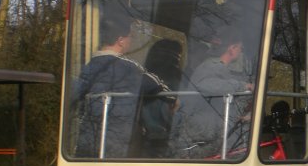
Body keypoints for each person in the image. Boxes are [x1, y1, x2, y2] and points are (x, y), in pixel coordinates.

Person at [72, 13, 165, 158]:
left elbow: (76, 93)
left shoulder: (89, 67)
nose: (131, 41)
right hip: (117, 142)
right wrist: (172, 98)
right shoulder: (127, 67)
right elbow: (154, 83)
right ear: (120, 40)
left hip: (88, 141)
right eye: (130, 37)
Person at [171, 25, 254, 158]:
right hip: (200, 132)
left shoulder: (219, 68)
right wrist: (244, 86)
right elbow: (205, 85)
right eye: (240, 47)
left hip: (207, 129)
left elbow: (219, 101)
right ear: (231, 48)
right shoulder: (211, 66)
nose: (240, 51)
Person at [140, 39, 183, 157]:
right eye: (179, 56)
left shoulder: (145, 77)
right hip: (162, 137)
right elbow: (171, 112)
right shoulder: (173, 79)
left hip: (143, 135)